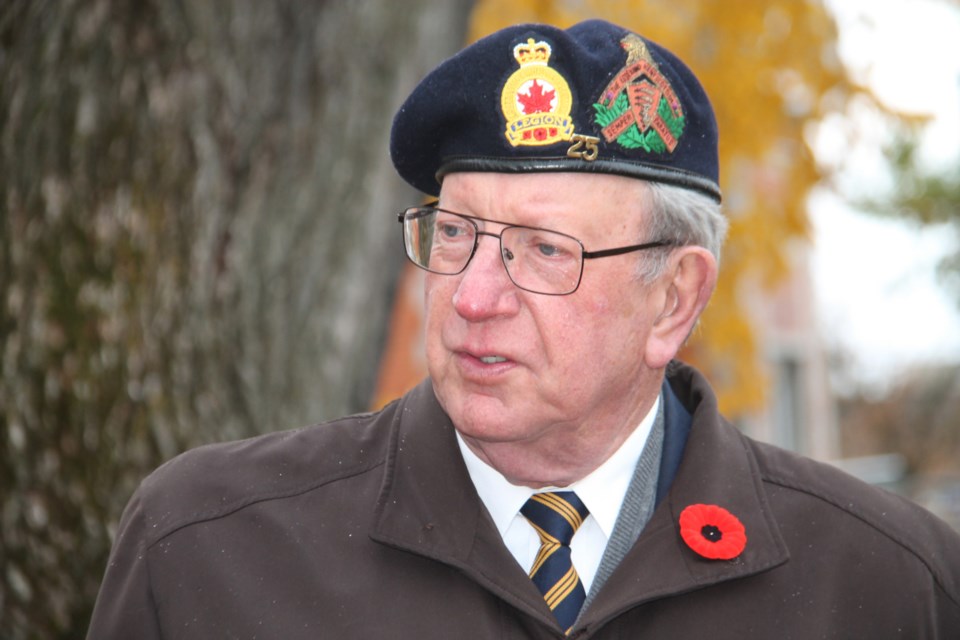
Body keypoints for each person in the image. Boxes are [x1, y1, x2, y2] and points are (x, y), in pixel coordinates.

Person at [87, 19, 960, 638]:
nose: (471, 298)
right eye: (457, 234)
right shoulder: (209, 548)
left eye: (545, 251)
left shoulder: (886, 583)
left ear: (674, 301)